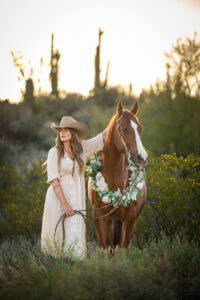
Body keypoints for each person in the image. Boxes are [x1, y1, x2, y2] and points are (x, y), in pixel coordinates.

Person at [41, 116, 107, 258]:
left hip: (77, 201)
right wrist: (65, 204)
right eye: (60, 130)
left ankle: (74, 270)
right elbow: (54, 181)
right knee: (57, 235)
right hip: (58, 201)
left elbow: (101, 138)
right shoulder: (54, 152)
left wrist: (119, 118)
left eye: (66, 130)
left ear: (73, 133)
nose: (62, 133)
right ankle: (56, 269)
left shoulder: (82, 149)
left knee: (75, 234)